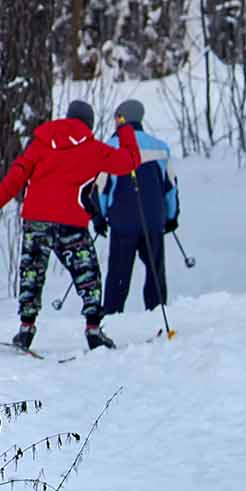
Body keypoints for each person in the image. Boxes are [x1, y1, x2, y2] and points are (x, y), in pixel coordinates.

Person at [0, 100, 141, 352]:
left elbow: (17, 174)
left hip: (37, 221)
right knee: (87, 274)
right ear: (89, 123)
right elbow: (129, 161)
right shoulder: (93, 149)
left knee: (31, 273)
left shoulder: (40, 143)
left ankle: (25, 329)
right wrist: (125, 128)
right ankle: (93, 329)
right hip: (71, 223)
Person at [96, 99, 179, 323]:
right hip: (153, 220)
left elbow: (102, 188)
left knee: (119, 273)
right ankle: (157, 314)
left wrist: (99, 216)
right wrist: (171, 216)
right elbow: (170, 186)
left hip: (122, 221)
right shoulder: (160, 147)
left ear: (121, 119)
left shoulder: (110, 147)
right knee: (155, 269)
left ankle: (111, 318)